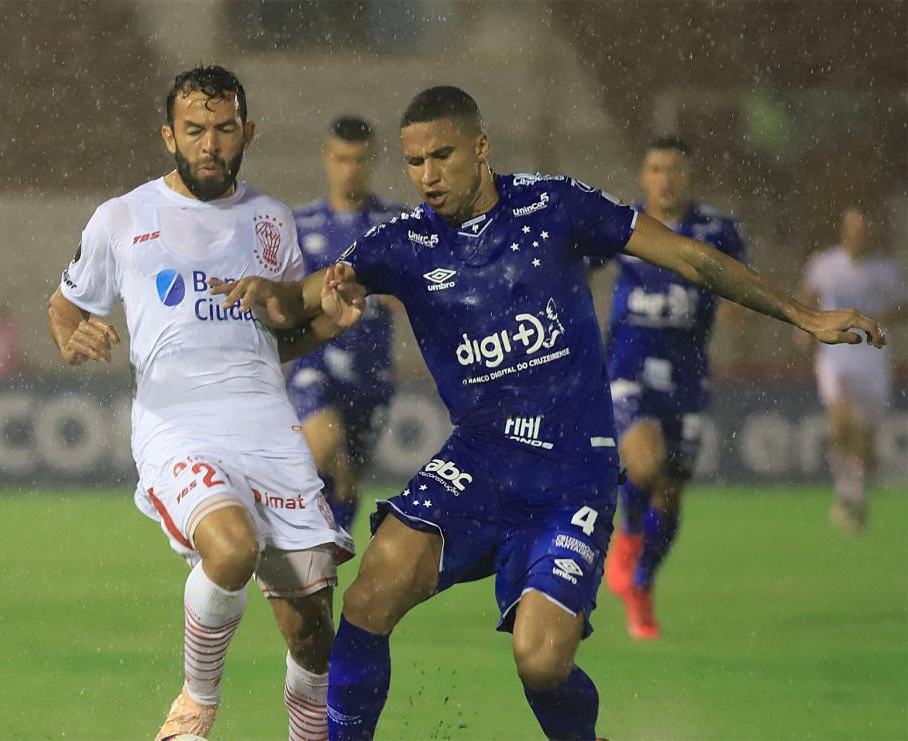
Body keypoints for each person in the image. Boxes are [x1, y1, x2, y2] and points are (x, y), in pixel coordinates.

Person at [211, 86, 885, 740]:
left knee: (541, 660)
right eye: (414, 162)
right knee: (367, 599)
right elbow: (299, 302)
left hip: (569, 475)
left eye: (441, 156)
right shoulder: (403, 242)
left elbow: (691, 258)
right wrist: (274, 295)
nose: (426, 176)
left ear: (480, 148)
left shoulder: (556, 206)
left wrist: (804, 314)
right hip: (478, 464)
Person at [45, 65, 354, 741]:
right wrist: (74, 338)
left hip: (269, 431)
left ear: (248, 132)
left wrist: (327, 318)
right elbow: (65, 305)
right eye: (194, 131)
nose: (208, 144)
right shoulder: (121, 217)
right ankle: (195, 704)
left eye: (222, 129)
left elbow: (277, 338)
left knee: (312, 639)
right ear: (168, 136)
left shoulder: (272, 220)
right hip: (177, 426)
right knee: (232, 548)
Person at [596, 136, 747, 640]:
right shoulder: (625, 223)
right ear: (643, 175)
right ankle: (630, 536)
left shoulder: (717, 230)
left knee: (672, 491)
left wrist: (733, 302)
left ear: (689, 176)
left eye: (675, 169)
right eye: (656, 168)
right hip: (628, 369)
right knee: (645, 464)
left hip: (686, 376)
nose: (666, 178)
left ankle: (641, 585)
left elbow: (739, 282)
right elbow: (577, 260)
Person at [288, 116, 402, 532]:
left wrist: (406, 290)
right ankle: (297, 542)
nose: (349, 169)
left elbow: (431, 282)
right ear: (326, 159)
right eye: (341, 159)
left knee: (348, 483)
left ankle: (327, 557)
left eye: (358, 160)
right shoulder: (299, 225)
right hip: (314, 364)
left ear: (371, 161)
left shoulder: (396, 223)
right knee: (323, 446)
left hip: (372, 373)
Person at [799, 207, 906, 533]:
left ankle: (853, 494)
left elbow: (903, 308)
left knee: (864, 437)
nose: (857, 235)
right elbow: (807, 298)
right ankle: (846, 494)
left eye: (863, 229)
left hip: (872, 358)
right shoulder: (825, 264)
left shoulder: (884, 271)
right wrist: (806, 329)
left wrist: (882, 318)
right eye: (852, 228)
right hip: (836, 355)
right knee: (841, 422)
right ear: (844, 231)